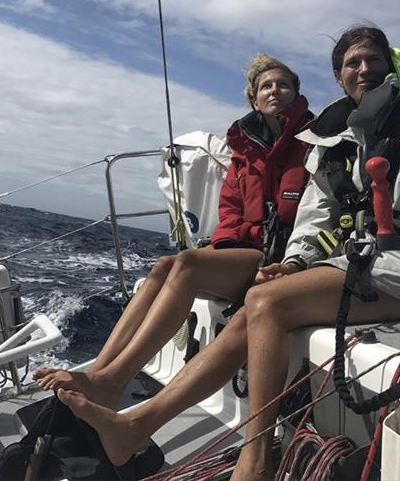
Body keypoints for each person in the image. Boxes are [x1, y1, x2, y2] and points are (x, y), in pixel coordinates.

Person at [56, 25, 400, 481]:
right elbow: (315, 214)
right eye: (352, 63)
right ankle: (135, 425)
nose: (364, 69)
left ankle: (256, 460)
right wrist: (293, 261)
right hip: (353, 263)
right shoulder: (331, 135)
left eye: (374, 60)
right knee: (252, 308)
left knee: (265, 301)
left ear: (390, 65)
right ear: (339, 77)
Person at [33, 53, 313, 411]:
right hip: (243, 247)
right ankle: (100, 370)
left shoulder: (313, 143)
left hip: (281, 255)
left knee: (189, 265)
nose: (275, 90)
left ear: (296, 93)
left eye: (283, 84)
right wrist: (229, 243)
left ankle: (111, 382)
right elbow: (228, 206)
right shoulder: (245, 148)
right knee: (167, 264)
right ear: (253, 98)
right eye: (266, 86)